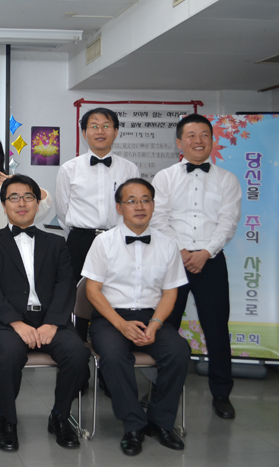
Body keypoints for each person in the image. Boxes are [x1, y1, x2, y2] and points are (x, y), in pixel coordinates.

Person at [0, 174, 90, 452]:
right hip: (7, 323)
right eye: (14, 197)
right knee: (8, 355)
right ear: (4, 205)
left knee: (77, 353)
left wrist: (53, 323)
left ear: (38, 204)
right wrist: (16, 322)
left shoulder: (56, 243)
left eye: (28, 197)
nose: (22, 203)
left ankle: (60, 416)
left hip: (51, 320)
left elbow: (66, 285)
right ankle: (8, 420)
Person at [82, 178, 190, 456]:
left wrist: (155, 324)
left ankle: (160, 422)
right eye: (131, 201)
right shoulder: (103, 242)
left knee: (178, 352)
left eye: (145, 200)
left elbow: (170, 293)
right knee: (114, 356)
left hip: (152, 318)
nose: (139, 206)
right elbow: (92, 291)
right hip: (111, 317)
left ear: (153, 205)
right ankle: (133, 425)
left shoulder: (168, 244)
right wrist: (121, 324)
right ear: (119, 208)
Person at [151, 114, 241, 419]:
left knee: (216, 328)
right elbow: (158, 218)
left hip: (211, 261)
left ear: (212, 140)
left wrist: (205, 252)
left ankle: (221, 393)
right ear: (179, 142)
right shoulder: (164, 177)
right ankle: (160, 388)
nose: (198, 140)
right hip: (172, 261)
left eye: (204, 135)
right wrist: (182, 251)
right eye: (191, 135)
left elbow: (228, 221)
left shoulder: (227, 179)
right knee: (165, 327)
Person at [55, 108, 140, 341]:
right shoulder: (69, 169)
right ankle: (77, 353)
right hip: (80, 241)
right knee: (76, 299)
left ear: (116, 131)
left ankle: (112, 351)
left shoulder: (129, 169)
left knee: (117, 295)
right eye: (93, 126)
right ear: (84, 133)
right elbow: (62, 210)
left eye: (106, 126)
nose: (100, 131)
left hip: (118, 240)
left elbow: (133, 209)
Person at [0, 135, 52, 238]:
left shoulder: (11, 187)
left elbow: (46, 200)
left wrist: (20, 182)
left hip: (14, 246)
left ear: (0, 157)